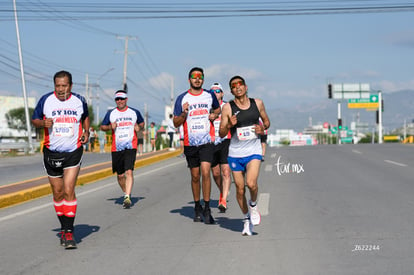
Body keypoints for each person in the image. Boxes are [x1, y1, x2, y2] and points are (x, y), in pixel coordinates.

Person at [31, 70, 90, 249]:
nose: (61, 89)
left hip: (73, 151)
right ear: (54, 85)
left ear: (70, 86)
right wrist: (42, 123)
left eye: (64, 86)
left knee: (68, 188)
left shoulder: (79, 100)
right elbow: (34, 120)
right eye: (57, 86)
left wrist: (86, 132)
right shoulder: (45, 100)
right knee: (57, 192)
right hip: (51, 151)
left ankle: (69, 231)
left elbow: (85, 117)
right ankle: (64, 228)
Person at [219, 75, 270, 236]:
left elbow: (267, 122)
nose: (237, 87)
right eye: (234, 86)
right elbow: (221, 133)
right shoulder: (228, 107)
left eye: (240, 84)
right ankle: (246, 219)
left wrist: (263, 129)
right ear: (231, 90)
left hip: (253, 151)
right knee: (240, 189)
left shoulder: (258, 103)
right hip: (235, 153)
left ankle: (253, 205)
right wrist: (229, 124)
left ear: (246, 87)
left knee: (251, 184)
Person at [173, 67, 220, 224]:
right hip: (190, 142)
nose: (197, 79)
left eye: (200, 77)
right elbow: (175, 122)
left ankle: (207, 208)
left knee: (206, 172)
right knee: (195, 176)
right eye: (194, 77)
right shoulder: (182, 98)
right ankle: (197, 206)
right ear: (189, 80)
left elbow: (218, 109)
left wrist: (215, 114)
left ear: (203, 79)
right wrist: (184, 113)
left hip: (207, 141)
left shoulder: (209, 95)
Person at [100, 90, 144, 209]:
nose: (120, 101)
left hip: (130, 145)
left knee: (129, 171)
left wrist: (138, 127)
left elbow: (142, 123)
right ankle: (126, 193)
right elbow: (102, 127)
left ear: (126, 99)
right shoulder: (111, 113)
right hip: (117, 147)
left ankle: (127, 197)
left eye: (122, 99)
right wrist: (110, 127)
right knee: (120, 175)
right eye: (117, 99)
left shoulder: (134, 112)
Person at [210, 82, 232, 213]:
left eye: (218, 91)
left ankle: (223, 199)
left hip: (226, 140)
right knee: (216, 173)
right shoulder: (208, 106)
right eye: (213, 91)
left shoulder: (227, 107)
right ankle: (222, 191)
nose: (215, 93)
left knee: (225, 171)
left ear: (222, 93)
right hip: (212, 142)